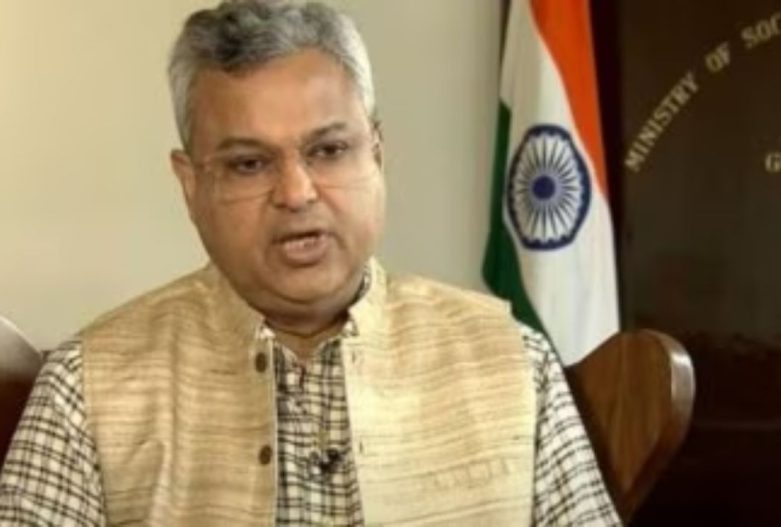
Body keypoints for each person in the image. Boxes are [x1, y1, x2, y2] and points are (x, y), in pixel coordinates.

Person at [0, 1, 620, 525]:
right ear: (191, 186)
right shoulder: (87, 388)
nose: (297, 193)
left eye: (328, 150)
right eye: (249, 163)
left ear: (377, 156)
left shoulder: (514, 364)